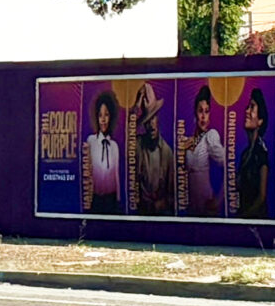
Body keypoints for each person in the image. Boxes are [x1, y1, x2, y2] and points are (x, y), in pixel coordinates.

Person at [183, 86, 225, 218]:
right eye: (200, 111)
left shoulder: (210, 136)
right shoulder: (190, 141)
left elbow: (229, 165)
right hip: (191, 208)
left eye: (207, 112)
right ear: (195, 112)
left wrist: (219, 199)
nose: (203, 116)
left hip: (206, 205)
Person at [133, 86, 175, 216]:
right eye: (147, 121)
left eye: (153, 118)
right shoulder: (139, 145)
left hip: (160, 214)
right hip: (141, 212)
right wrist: (137, 105)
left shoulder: (167, 152)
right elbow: (127, 133)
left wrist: (162, 204)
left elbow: (173, 195)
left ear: (158, 120)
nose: (151, 125)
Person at [236, 88, 273, 218]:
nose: (247, 111)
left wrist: (244, 219)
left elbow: (262, 197)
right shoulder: (245, 154)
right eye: (247, 107)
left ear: (260, 121)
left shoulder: (261, 153)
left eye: (252, 108)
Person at [83, 90, 123, 213]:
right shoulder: (90, 141)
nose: (103, 119)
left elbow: (116, 176)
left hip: (111, 201)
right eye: (100, 115)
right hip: (95, 200)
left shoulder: (114, 146)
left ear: (111, 116)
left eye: (106, 115)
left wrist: (118, 200)